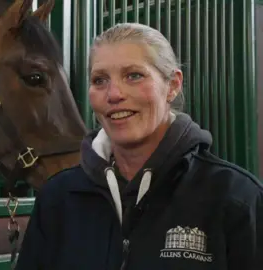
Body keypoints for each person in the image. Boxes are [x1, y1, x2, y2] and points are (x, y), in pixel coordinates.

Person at [15, 22, 263, 270]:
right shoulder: (59, 197)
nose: (113, 94)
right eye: (100, 80)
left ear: (173, 85)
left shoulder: (235, 197)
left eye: (133, 75)